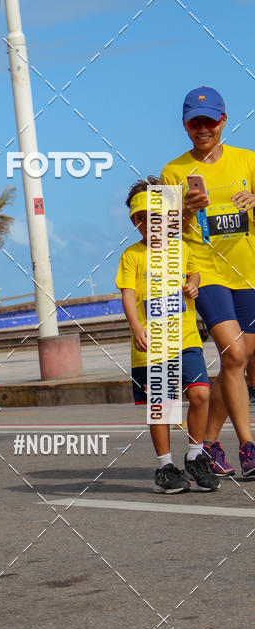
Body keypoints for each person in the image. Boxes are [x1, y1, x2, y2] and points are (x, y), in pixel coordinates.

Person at [161, 87, 255, 477]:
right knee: (233, 356)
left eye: (209, 121)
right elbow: (164, 232)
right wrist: (184, 210)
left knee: (241, 362)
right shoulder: (173, 171)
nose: (203, 128)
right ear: (185, 126)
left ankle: (210, 443)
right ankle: (250, 447)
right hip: (205, 270)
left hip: (247, 272)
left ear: (223, 121)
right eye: (194, 122)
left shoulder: (247, 160)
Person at [116, 179, 219, 493]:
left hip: (185, 335)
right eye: (140, 218)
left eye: (154, 215)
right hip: (153, 342)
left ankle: (195, 456)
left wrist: (194, 283)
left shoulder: (180, 247)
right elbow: (128, 294)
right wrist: (136, 327)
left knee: (201, 394)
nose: (148, 223)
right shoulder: (132, 255)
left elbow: (194, 271)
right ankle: (165, 467)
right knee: (163, 405)